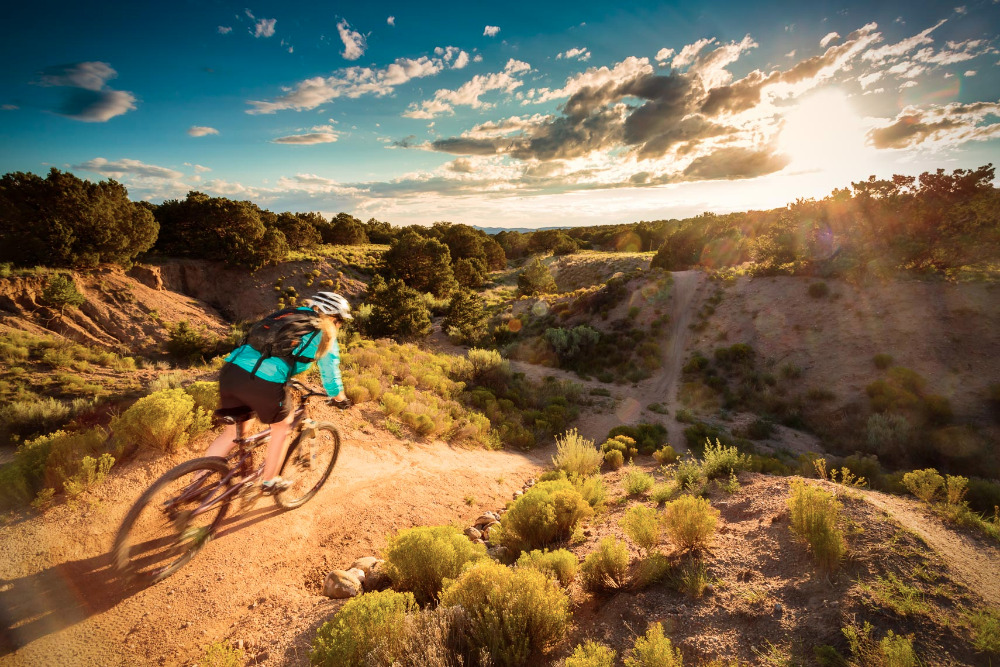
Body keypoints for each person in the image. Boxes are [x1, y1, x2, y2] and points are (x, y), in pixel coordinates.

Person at [206, 292, 352, 493]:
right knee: (282, 427)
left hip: (232, 371)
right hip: (265, 380)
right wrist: (339, 397)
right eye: (341, 321)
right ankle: (270, 481)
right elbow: (330, 369)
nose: (340, 326)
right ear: (334, 318)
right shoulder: (325, 332)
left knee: (234, 432)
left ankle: (195, 483)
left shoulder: (288, 314)